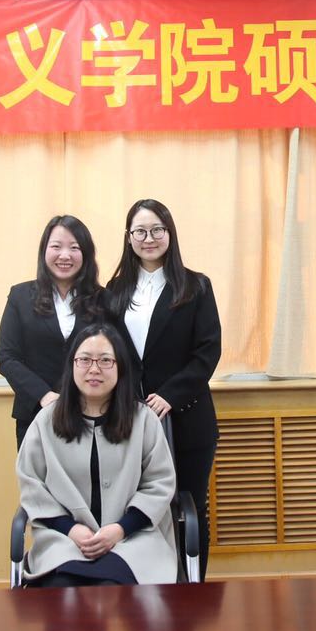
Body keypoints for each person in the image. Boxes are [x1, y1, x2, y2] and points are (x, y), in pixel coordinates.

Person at [105, 198, 221, 579]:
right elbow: (110, 352)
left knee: (190, 509)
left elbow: (208, 352)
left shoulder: (196, 286)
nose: (148, 238)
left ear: (169, 233)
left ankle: (192, 589)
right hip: (130, 421)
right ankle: (148, 586)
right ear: (129, 237)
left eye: (157, 229)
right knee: (136, 510)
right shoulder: (115, 290)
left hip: (187, 420)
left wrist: (171, 395)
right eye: (140, 231)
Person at [16, 323, 178, 587]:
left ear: (120, 367)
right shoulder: (46, 420)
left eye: (105, 360)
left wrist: (120, 529)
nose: (94, 369)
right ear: (72, 365)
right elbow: (32, 485)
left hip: (132, 540)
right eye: (84, 360)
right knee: (62, 591)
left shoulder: (143, 420)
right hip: (65, 541)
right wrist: (71, 529)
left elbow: (159, 484)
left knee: (114, 591)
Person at [0, 215, 102, 450]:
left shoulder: (104, 299)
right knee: (36, 474)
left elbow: (114, 357)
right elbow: (7, 357)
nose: (65, 255)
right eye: (56, 246)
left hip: (91, 414)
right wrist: (44, 395)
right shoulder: (20, 296)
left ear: (86, 254)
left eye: (74, 248)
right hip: (35, 412)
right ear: (44, 250)